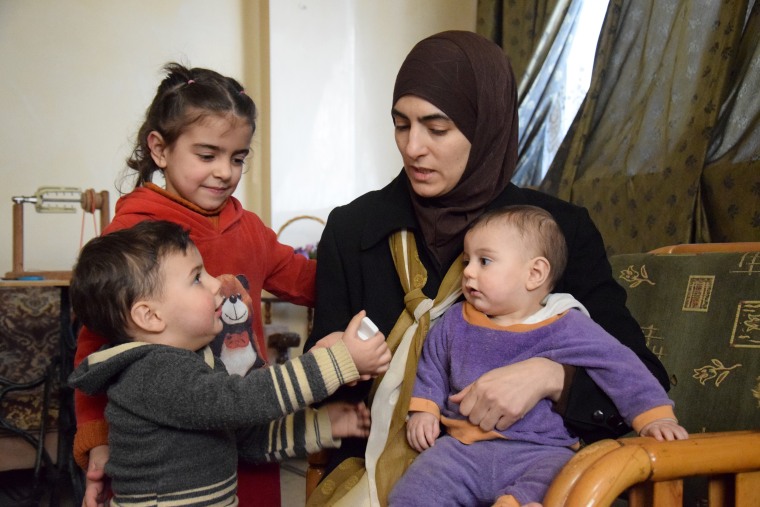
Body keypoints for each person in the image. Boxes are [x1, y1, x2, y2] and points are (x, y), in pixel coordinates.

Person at [303, 30, 670, 506]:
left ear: (488, 125)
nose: (413, 147)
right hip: (392, 476)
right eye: (401, 124)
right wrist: (336, 365)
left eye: (437, 129)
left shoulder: (556, 232)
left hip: (535, 473)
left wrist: (551, 378)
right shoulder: (353, 230)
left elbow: (642, 375)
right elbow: (324, 394)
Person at [73, 62, 316, 507]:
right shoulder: (135, 233)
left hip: (249, 432)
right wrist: (98, 440)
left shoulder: (250, 229)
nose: (225, 171)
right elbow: (96, 345)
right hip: (169, 455)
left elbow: (304, 281)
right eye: (207, 155)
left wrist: (359, 252)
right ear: (160, 149)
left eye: (238, 157)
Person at [68, 220, 392, 506]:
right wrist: (336, 363)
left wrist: (322, 426)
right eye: (197, 278)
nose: (216, 284)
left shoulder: (195, 363)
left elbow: (247, 440)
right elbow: (243, 401)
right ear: (150, 316)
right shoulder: (151, 373)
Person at [387, 206, 687, 507]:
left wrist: (655, 416)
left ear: (535, 273)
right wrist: (424, 410)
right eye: (468, 261)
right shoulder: (456, 320)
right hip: (462, 449)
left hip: (541, 450)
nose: (467, 272)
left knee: (562, 477)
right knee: (415, 489)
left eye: (484, 261)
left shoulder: (567, 324)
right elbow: (432, 365)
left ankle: (516, 502)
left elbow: (620, 366)